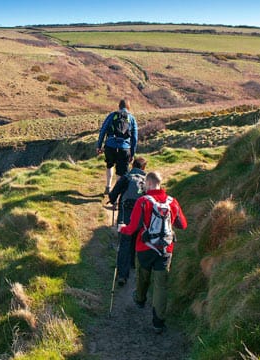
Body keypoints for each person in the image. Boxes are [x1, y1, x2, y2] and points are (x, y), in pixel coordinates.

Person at [119, 171, 187, 334]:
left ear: (148, 184)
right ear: (160, 184)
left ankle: (140, 299)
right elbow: (183, 225)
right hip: (165, 249)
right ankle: (158, 322)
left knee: (143, 276)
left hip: (144, 247)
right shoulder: (172, 202)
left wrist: (123, 229)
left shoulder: (143, 201)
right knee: (161, 285)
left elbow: (133, 227)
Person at [108, 156, 147, 286]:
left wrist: (113, 201)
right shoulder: (146, 181)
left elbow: (113, 194)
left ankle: (122, 275)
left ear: (132, 165)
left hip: (125, 212)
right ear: (143, 168)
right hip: (139, 215)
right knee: (135, 238)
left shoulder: (126, 178)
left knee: (124, 242)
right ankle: (132, 264)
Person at [96, 99, 138, 194]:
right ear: (128, 107)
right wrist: (132, 153)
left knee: (109, 165)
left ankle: (108, 186)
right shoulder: (131, 118)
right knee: (121, 172)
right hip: (124, 148)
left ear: (119, 106)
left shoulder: (112, 116)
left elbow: (103, 130)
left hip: (110, 146)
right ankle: (116, 194)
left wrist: (99, 145)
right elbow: (135, 137)